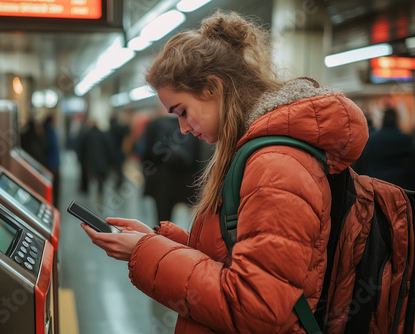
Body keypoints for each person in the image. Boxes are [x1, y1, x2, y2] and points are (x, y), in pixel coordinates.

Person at [80, 10, 369, 333]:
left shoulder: (275, 167)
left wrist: (147, 254)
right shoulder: (252, 153)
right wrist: (156, 241)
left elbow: (256, 306)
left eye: (183, 112)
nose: (183, 129)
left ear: (213, 88)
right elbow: (235, 254)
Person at [141, 112, 202, 223]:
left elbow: (148, 154)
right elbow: (198, 157)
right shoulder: (193, 127)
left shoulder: (156, 124)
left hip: (161, 179)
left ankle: (161, 238)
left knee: (162, 219)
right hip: (185, 179)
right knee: (189, 219)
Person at [353, 106, 415, 190]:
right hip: (401, 186)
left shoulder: (371, 138)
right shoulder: (405, 139)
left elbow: (362, 161)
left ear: (383, 119)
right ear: (396, 119)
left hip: (375, 185)